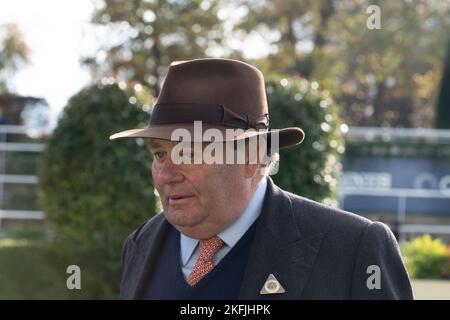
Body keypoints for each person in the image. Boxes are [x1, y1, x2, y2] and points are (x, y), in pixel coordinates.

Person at [110, 58, 413, 300]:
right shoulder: (141, 245)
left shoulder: (352, 249)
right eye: (160, 154)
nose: (166, 174)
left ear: (252, 157)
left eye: (189, 153)